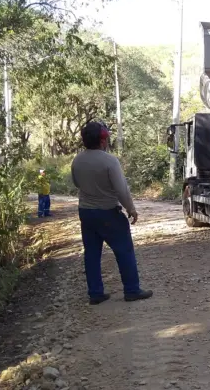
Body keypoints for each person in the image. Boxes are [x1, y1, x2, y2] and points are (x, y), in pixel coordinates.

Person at [71, 121, 153, 305]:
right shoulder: (109, 161)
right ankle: (132, 290)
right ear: (103, 139)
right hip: (108, 212)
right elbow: (121, 190)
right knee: (124, 250)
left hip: (86, 212)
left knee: (91, 253)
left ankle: (95, 293)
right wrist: (131, 209)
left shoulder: (77, 160)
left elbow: (76, 183)